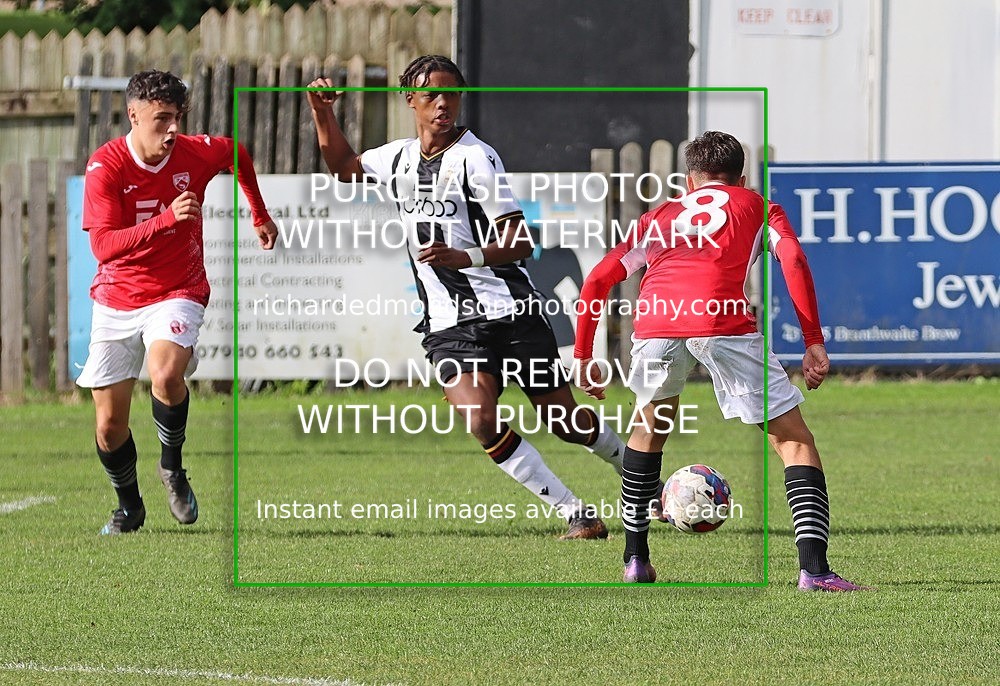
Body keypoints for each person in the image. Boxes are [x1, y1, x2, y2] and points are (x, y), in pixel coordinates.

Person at [306, 55, 624, 539]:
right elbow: (345, 168)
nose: (443, 103)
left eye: (452, 93)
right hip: (450, 323)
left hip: (511, 313)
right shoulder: (396, 159)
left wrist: (465, 257)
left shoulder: (476, 158)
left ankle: (641, 479)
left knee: (566, 423)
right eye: (431, 94)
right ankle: (575, 513)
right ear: (409, 99)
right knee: (480, 419)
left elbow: (520, 241)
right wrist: (322, 112)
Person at [575, 131, 870, 589]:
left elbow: (597, 279)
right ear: (741, 179)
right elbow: (792, 258)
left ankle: (635, 560)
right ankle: (814, 571)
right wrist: (813, 339)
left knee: (647, 433)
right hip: (722, 320)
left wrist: (583, 355)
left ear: (688, 182)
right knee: (794, 442)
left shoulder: (659, 216)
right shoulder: (759, 206)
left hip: (656, 324)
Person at [78, 70, 278, 535]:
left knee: (166, 374)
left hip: (178, 289)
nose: (172, 129)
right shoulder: (106, 166)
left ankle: (172, 467)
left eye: (177, 118)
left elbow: (237, 153)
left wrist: (259, 214)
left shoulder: (193, 152)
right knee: (108, 426)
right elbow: (103, 246)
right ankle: (129, 507)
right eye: (161, 118)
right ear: (133, 115)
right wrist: (166, 219)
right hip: (117, 297)